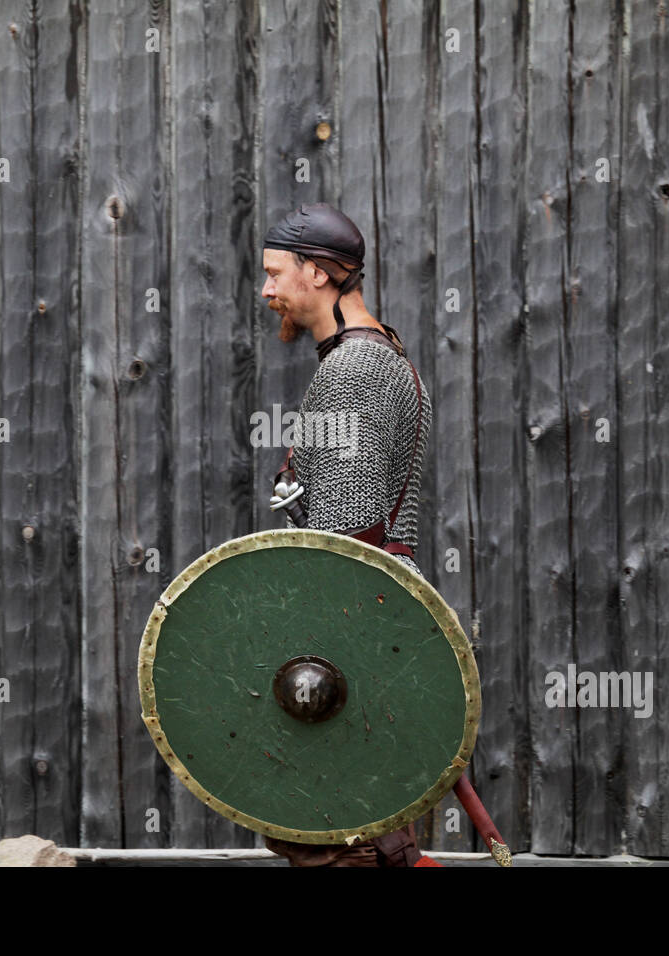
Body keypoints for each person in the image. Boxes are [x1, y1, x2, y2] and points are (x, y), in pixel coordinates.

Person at [257, 203, 438, 867]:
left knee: (343, 844)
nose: (268, 290)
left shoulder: (357, 373)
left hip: (350, 639)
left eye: (278, 273)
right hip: (368, 629)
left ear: (319, 273)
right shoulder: (380, 357)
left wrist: (320, 658)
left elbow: (346, 541)